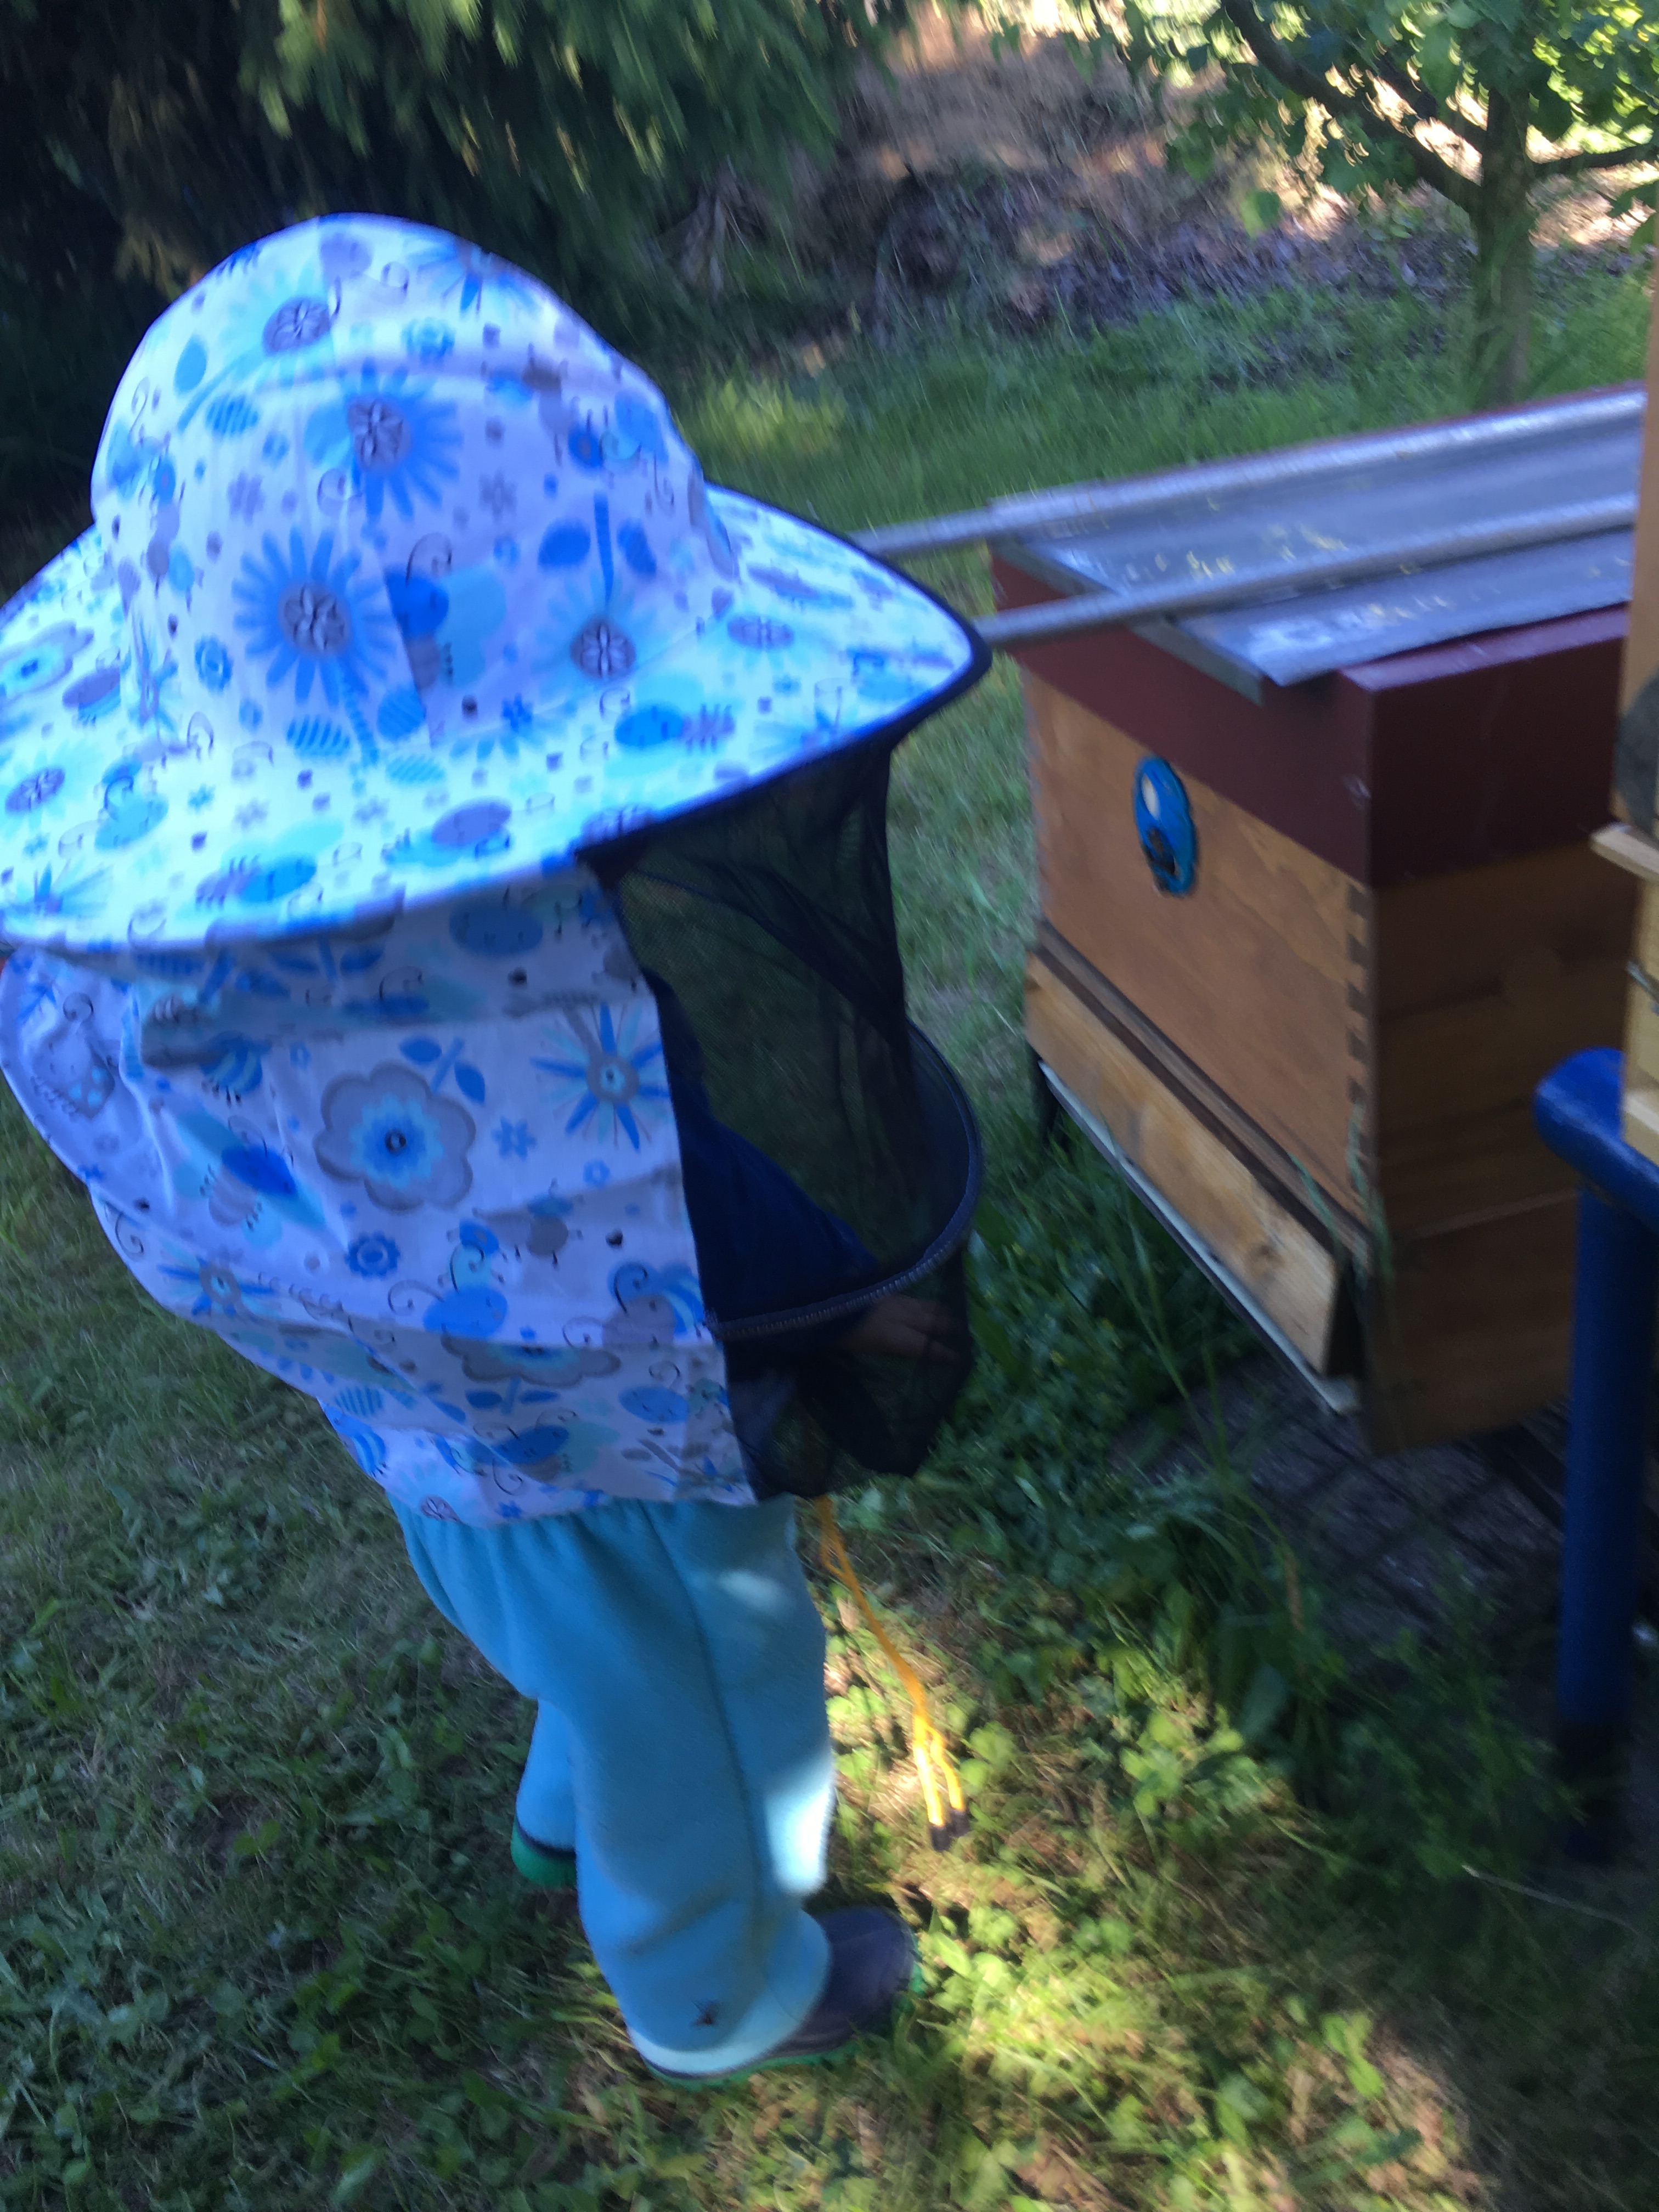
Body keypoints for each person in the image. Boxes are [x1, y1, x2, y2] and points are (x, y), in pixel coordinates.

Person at [0, 215, 988, 2084]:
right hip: (621, 1449)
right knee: (699, 1713)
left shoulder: (260, 1005)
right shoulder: (530, 1025)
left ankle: (564, 1812)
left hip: (454, 1458)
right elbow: (670, 1222)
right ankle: (718, 1990)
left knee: (599, 1662)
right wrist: (851, 1315)